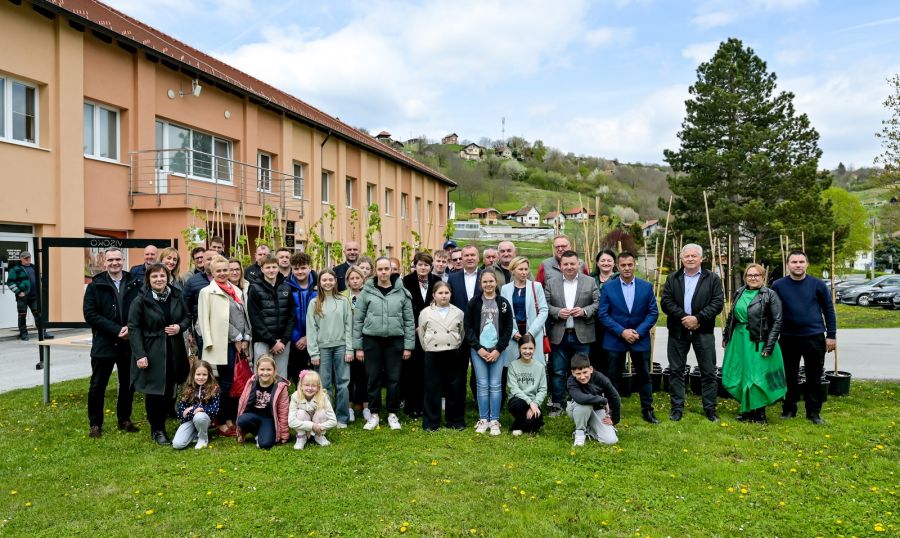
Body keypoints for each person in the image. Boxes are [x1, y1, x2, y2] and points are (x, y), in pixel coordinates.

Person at [660, 244, 725, 422]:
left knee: (708, 371)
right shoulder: (673, 278)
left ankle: (710, 409)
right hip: (677, 331)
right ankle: (677, 408)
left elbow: (717, 302)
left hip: (703, 330)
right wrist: (684, 317)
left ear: (701, 258)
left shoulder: (712, 278)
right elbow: (666, 302)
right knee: (676, 371)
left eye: (694, 256)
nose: (690, 259)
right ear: (681, 258)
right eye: (687, 256)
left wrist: (698, 318)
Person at [771, 250, 837, 425]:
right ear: (788, 265)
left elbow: (828, 310)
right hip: (787, 337)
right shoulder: (778, 285)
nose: (798, 265)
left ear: (807, 264)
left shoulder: (818, 284)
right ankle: (789, 409)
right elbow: (772, 311)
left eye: (801, 261)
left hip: (814, 337)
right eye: (794, 262)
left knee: (814, 376)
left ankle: (813, 413)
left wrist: (831, 335)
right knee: (788, 376)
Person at [128, 263, 190, 445]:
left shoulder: (176, 295)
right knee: (155, 392)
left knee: (169, 389)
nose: (159, 279)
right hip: (152, 350)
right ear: (148, 279)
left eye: (162, 276)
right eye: (154, 276)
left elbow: (187, 317)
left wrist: (180, 327)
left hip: (174, 349)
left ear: (167, 277)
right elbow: (134, 328)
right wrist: (140, 354)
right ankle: (157, 430)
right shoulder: (140, 300)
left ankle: (164, 421)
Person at [83, 247, 142, 438]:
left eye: (117, 259)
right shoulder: (95, 285)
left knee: (127, 383)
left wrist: (130, 329)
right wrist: (116, 330)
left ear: (123, 260)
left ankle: (124, 419)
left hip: (129, 343)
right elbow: (90, 314)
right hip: (104, 342)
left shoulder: (135, 283)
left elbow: (142, 309)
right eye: (110, 260)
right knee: (97, 385)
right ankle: (95, 424)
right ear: (104, 262)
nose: (114, 263)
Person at [353, 257, 415, 431]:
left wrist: (408, 346)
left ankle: (392, 413)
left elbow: (409, 321)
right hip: (372, 340)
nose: (383, 272)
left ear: (391, 270)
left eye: (386, 269)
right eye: (380, 269)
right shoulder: (367, 292)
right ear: (375, 271)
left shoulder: (401, 292)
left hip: (395, 341)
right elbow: (358, 320)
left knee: (393, 379)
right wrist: (358, 346)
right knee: (373, 378)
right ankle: (374, 414)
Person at [598, 251, 660, 424]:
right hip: (615, 339)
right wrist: (622, 332)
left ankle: (648, 410)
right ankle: (612, 410)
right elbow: (603, 314)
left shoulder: (646, 287)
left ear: (635, 265)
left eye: (630, 264)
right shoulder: (608, 287)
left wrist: (638, 332)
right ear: (618, 267)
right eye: (623, 265)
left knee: (644, 376)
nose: (627, 268)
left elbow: (653, 313)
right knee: (612, 377)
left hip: (640, 339)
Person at [722, 263, 786, 423]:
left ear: (763, 277)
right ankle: (746, 410)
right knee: (742, 374)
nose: (753, 278)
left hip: (759, 341)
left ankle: (759, 413)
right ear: (745, 277)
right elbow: (731, 316)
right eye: (749, 275)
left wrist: (769, 345)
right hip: (739, 339)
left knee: (757, 376)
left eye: (756, 275)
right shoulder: (739, 292)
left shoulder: (770, 295)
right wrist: (726, 336)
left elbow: (777, 321)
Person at [197, 255, 252, 437]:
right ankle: (220, 421)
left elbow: (243, 316)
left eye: (225, 270)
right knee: (225, 383)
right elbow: (210, 320)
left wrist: (245, 337)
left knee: (235, 382)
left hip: (238, 344)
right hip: (221, 344)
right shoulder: (207, 292)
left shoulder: (235, 290)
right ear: (212, 273)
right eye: (218, 271)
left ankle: (230, 418)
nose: (222, 273)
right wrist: (236, 336)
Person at [544, 250, 600, 417]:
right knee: (558, 371)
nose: (569, 267)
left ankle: (581, 402)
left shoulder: (590, 281)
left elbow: (598, 303)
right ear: (560, 266)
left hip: (582, 333)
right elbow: (545, 304)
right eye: (566, 264)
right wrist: (557, 312)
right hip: (559, 333)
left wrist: (584, 311)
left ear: (578, 264)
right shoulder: (551, 283)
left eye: (572, 264)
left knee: (582, 371)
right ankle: (558, 404)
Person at [464, 268, 513, 436]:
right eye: (485, 281)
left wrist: (498, 349)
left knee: (496, 384)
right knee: (482, 384)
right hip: (479, 351)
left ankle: (494, 420)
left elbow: (508, 327)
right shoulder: (474, 302)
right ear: (480, 284)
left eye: (491, 281)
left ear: (496, 282)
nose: (488, 284)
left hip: (497, 351)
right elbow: (468, 327)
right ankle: (483, 419)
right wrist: (478, 348)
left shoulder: (503, 303)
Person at [306, 269, 353, 428]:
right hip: (322, 349)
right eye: (324, 280)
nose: (327, 283)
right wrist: (313, 352)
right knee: (324, 385)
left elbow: (349, 326)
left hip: (341, 347)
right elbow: (311, 329)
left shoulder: (343, 301)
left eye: (330, 280)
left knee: (343, 383)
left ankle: (342, 417)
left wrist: (349, 349)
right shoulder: (314, 303)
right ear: (319, 282)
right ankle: (326, 416)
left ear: (335, 281)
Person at [417, 281, 465, 431]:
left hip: (452, 351)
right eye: (440, 293)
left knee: (454, 386)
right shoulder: (425, 312)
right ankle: (431, 422)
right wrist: (427, 347)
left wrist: (455, 343)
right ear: (434, 295)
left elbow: (462, 332)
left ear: (450, 294)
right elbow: (421, 333)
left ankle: (455, 420)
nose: (443, 296)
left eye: (446, 293)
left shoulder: (458, 312)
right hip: (432, 352)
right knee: (432, 387)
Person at [402, 252, 439, 419]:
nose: (423, 268)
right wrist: (415, 327)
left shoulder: (436, 281)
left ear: (431, 267)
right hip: (412, 330)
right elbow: (404, 306)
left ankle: (426, 406)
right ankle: (412, 406)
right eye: (420, 264)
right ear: (415, 265)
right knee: (412, 370)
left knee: (429, 370)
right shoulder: (406, 281)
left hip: (432, 331)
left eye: (426, 265)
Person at [247, 255, 295, 379]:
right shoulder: (254, 289)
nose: (271, 270)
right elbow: (255, 319)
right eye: (268, 267)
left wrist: (283, 340)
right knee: (262, 375)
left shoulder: (286, 287)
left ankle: (281, 393)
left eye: (274, 267)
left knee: (280, 376)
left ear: (278, 268)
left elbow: (291, 316)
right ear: (262, 269)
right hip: (263, 341)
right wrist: (272, 342)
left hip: (283, 342)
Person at [500, 256, 548, 367]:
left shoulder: (536, 286)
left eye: (526, 269)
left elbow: (544, 310)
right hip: (514, 334)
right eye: (520, 269)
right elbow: (503, 314)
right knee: (515, 368)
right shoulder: (505, 289)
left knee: (534, 367)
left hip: (533, 332)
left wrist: (531, 332)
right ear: (512, 271)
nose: (524, 272)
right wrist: (512, 333)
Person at [236, 355, 290, 449]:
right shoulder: (251, 383)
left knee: (265, 444)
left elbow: (283, 411)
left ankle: (264, 433)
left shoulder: (280, 387)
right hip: (253, 416)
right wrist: (239, 431)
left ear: (274, 370)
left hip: (268, 418)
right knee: (242, 419)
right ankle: (257, 433)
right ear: (257, 370)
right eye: (262, 369)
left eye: (269, 369)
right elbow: (242, 404)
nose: (265, 373)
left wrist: (284, 434)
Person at [567, 353, 620, 447]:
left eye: (585, 372)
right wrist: (603, 400)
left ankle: (589, 429)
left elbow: (615, 396)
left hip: (596, 409)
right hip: (576, 409)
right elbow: (580, 398)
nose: (582, 377)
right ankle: (580, 433)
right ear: (573, 373)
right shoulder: (571, 381)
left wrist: (614, 419)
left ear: (591, 369)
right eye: (578, 373)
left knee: (611, 440)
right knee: (585, 405)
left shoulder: (600, 377)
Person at [172, 359, 220, 450]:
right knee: (177, 444)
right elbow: (181, 412)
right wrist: (195, 410)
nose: (201, 377)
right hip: (189, 421)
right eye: (198, 374)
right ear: (193, 374)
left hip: (205, 419)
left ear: (209, 375)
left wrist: (193, 410)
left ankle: (203, 438)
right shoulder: (187, 388)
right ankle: (195, 434)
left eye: (204, 374)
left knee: (199, 416)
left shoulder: (214, 388)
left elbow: (214, 410)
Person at [285, 251, 318, 384]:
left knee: (315, 376)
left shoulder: (319, 286)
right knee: (297, 375)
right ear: (291, 269)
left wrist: (308, 337)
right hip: (295, 339)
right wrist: (296, 337)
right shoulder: (285, 287)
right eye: (296, 268)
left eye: (303, 268)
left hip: (315, 337)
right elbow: (285, 315)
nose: (300, 272)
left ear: (309, 267)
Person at [342, 265, 370, 423]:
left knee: (364, 375)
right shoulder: (342, 296)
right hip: (346, 341)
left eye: (357, 278)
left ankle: (366, 407)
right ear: (347, 280)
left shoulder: (368, 295)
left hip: (365, 341)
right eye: (351, 278)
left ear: (363, 279)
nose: (355, 281)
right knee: (348, 376)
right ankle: (349, 407)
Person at [506, 334, 547, 436]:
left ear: (534, 349)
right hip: (517, 400)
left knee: (533, 421)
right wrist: (530, 403)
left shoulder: (540, 367)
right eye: (524, 348)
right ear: (519, 348)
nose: (527, 351)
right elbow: (513, 388)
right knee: (519, 404)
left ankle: (524, 424)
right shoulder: (513, 365)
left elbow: (543, 390)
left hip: (534, 401)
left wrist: (535, 404)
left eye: (530, 348)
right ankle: (518, 426)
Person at [6, 251, 50, 342]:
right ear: (21, 258)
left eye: (29, 258)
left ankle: (43, 332)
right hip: (23, 297)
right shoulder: (15, 269)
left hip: (34, 296)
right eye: (26, 258)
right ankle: (23, 333)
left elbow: (40, 279)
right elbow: (10, 282)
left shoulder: (34, 267)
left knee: (38, 315)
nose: (28, 259)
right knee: (22, 315)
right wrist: (18, 292)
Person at [288, 369, 338, 449]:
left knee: (321, 412)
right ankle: (301, 437)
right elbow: (291, 422)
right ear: (301, 386)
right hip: (304, 425)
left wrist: (315, 428)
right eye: (306, 385)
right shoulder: (295, 397)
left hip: (318, 427)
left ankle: (319, 436)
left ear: (318, 387)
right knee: (300, 413)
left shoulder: (323, 397)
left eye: (313, 386)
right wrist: (311, 426)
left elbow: (333, 421)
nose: (310, 388)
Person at [589, 250, 618, 374]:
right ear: (597, 263)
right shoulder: (590, 279)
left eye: (609, 260)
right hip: (593, 324)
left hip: (613, 323)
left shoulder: (619, 279)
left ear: (614, 263)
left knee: (612, 357)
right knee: (595, 356)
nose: (606, 263)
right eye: (603, 260)